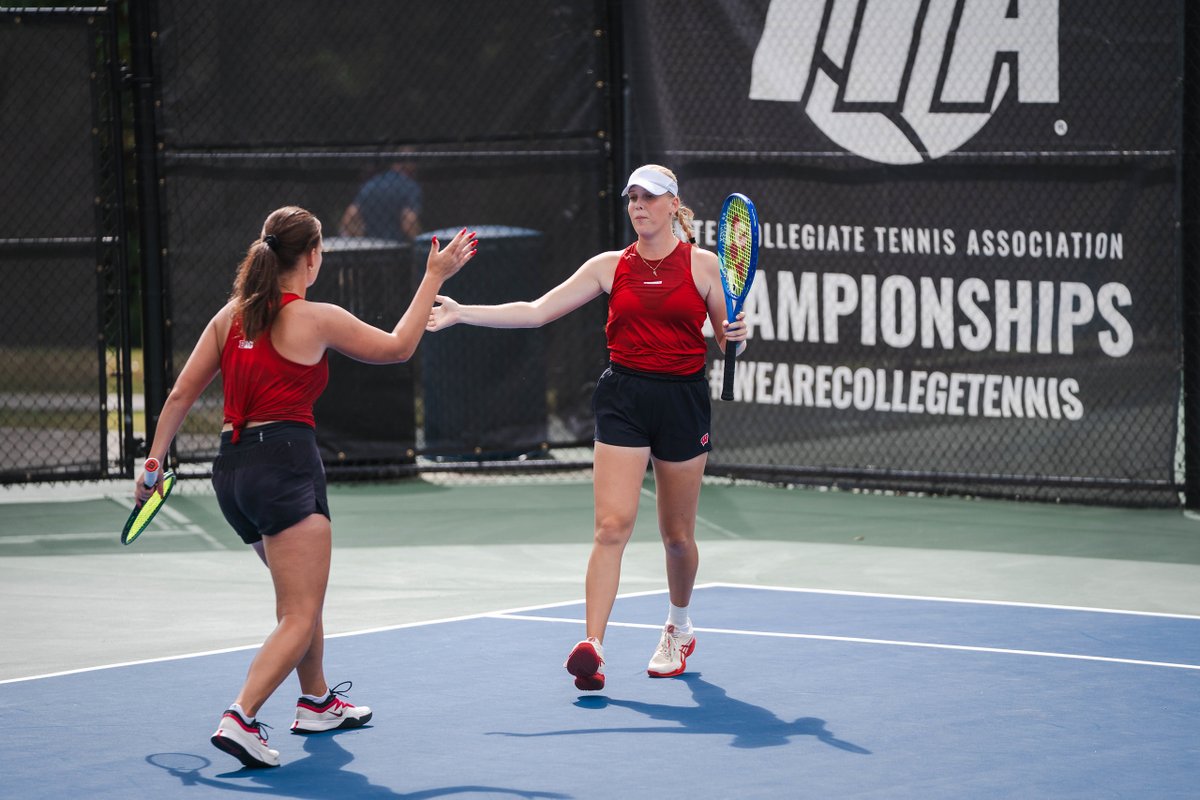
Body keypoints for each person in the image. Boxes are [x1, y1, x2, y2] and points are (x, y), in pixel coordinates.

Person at [135, 206, 476, 767]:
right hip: (286, 466)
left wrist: (153, 467)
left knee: (301, 600)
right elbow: (398, 347)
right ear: (312, 257)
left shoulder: (229, 318)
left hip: (232, 475)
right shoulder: (316, 317)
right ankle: (240, 716)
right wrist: (434, 276)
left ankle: (316, 702)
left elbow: (178, 397)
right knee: (298, 612)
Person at [427, 165, 747, 690]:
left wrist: (737, 334)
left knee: (676, 537)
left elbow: (724, 337)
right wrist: (464, 313)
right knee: (610, 527)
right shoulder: (607, 266)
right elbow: (535, 311)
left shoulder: (705, 266)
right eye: (632, 198)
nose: (638, 206)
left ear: (673, 205)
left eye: (649, 197)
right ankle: (593, 647)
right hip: (623, 397)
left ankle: (679, 626)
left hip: (682, 400)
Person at [339, 159, 422, 242]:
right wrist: (418, 244)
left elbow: (350, 215)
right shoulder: (409, 187)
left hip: (372, 247)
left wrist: (360, 239)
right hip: (397, 248)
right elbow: (409, 220)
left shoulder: (371, 184)